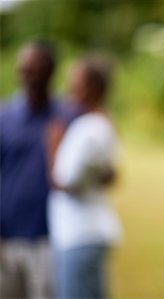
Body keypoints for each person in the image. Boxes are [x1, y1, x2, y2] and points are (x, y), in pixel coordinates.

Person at [0, 40, 71, 299]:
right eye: (22, 68)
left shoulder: (66, 117)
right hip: (6, 237)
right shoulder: (4, 116)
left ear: (50, 71)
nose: (25, 74)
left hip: (48, 237)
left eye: (32, 68)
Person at [47, 55, 121, 299]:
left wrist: (53, 146)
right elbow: (109, 175)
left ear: (92, 88)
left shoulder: (90, 130)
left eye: (75, 80)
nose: (68, 86)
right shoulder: (98, 124)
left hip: (79, 235)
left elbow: (65, 182)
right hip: (83, 234)